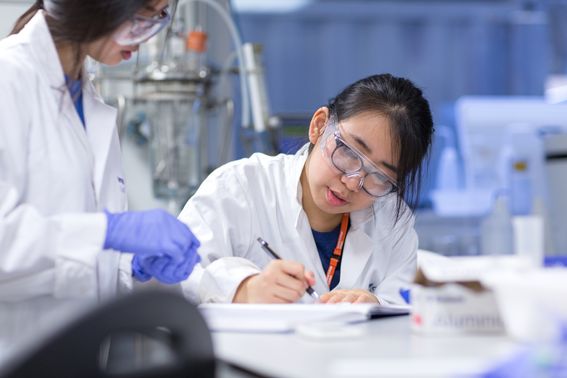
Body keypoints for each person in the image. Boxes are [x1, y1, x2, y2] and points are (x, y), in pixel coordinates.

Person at [0, 0, 200, 345]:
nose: (148, 38)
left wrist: (131, 264)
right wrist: (109, 231)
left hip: (74, 353)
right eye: (143, 19)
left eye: (159, 19)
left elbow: (77, 260)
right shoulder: (9, 77)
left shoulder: (89, 101)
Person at [179, 74, 434, 305]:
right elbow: (176, 275)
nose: (353, 182)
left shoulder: (392, 223)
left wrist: (376, 307)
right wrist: (243, 288)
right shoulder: (239, 187)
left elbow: (409, 306)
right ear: (319, 126)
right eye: (348, 152)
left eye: (379, 176)